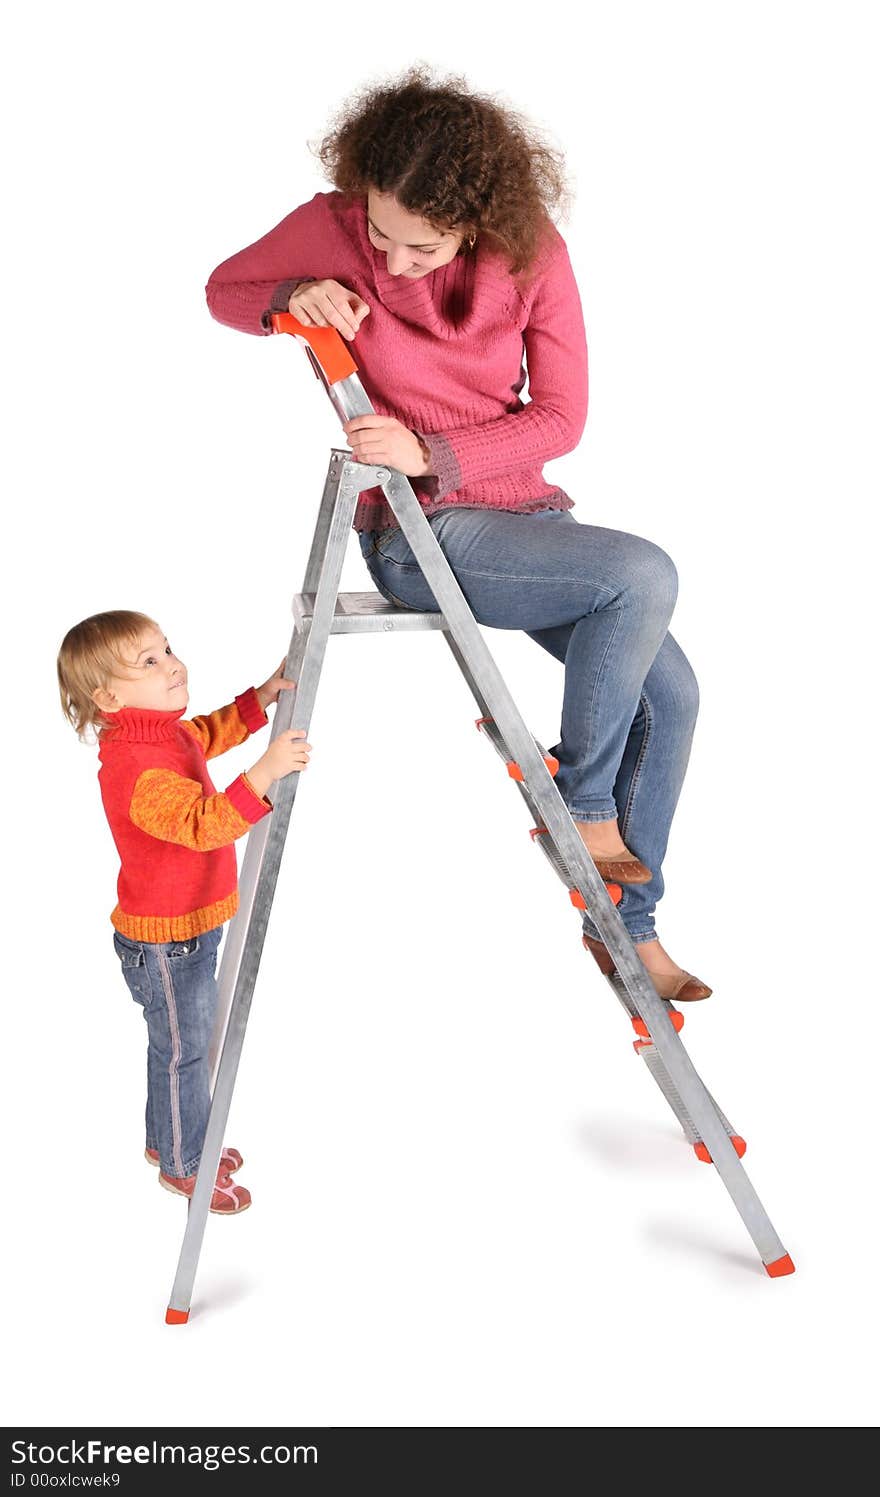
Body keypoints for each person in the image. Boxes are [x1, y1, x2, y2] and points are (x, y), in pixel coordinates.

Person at [204, 66, 709, 1002]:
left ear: (475, 222)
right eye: (381, 236)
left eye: (422, 246)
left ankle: (630, 929)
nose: (392, 263)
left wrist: (430, 447)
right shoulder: (336, 225)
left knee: (669, 697)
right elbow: (224, 291)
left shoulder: (535, 254)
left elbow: (561, 419)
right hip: (417, 535)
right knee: (643, 573)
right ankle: (583, 800)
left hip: (521, 519)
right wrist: (298, 292)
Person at [57, 610, 312, 1213]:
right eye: (150, 662)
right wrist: (265, 773)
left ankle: (167, 1139)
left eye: (167, 649)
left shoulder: (160, 734)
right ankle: (183, 1162)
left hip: (187, 928)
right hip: (168, 945)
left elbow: (204, 735)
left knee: (174, 1046)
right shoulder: (136, 768)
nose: (173, 664)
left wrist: (258, 701)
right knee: (184, 1051)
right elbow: (204, 825)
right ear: (109, 697)